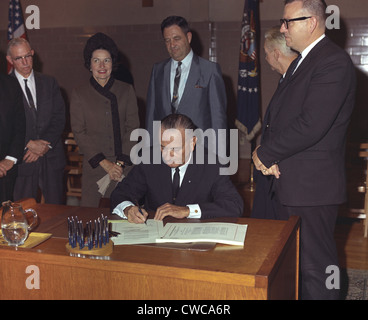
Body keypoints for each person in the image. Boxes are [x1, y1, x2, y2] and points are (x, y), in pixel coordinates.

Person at [252, 0, 356, 300]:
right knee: (293, 269)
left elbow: (311, 124)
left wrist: (265, 154)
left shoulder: (333, 62)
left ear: (311, 22)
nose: (282, 28)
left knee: (318, 272)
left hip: (313, 189)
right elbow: (282, 119)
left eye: (288, 22)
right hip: (289, 182)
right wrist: (268, 153)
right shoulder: (301, 61)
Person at [111, 114, 243, 223]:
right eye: (163, 147)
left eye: (175, 148)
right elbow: (121, 193)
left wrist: (187, 210)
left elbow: (234, 205)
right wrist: (128, 209)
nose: (168, 155)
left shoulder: (212, 165)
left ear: (192, 143)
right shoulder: (149, 159)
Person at [70, 33, 140, 207]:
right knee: (91, 219)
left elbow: (133, 128)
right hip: (95, 168)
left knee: (126, 216)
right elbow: (79, 133)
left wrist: (119, 164)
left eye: (106, 60)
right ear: (89, 64)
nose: (102, 66)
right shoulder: (79, 93)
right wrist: (106, 164)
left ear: (113, 63)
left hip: (124, 166)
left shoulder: (127, 90)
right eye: (96, 60)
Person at [145, 16, 227, 154]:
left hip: (199, 151)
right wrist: (149, 154)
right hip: (165, 153)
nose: (172, 45)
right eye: (167, 40)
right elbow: (151, 117)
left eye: (176, 38)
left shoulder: (209, 70)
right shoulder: (158, 71)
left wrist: (219, 161)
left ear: (188, 37)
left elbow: (218, 120)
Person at [7, 38, 66, 204]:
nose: (25, 62)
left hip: (51, 158)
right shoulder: (4, 86)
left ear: (33, 54)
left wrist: (43, 145)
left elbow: (59, 117)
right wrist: (28, 144)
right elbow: (5, 125)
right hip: (23, 161)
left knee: (57, 212)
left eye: (28, 56)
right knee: (23, 213)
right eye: (19, 58)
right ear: (10, 60)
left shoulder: (49, 82)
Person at [251, 26, 298, 219]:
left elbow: (294, 128)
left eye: (266, 53)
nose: (265, 58)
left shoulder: (298, 81)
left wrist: (268, 154)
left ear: (276, 53)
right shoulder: (286, 79)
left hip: (286, 173)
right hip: (272, 167)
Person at [0, 73, 26, 203]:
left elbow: (19, 126)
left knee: (4, 218)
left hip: (5, 169)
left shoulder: (11, 84)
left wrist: (10, 159)